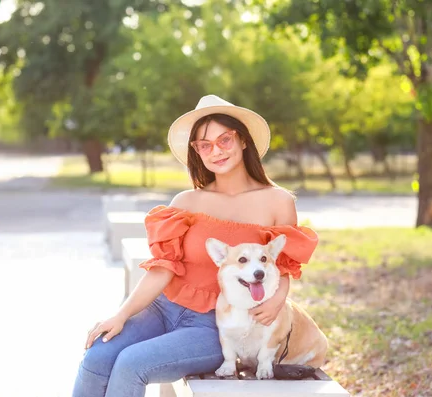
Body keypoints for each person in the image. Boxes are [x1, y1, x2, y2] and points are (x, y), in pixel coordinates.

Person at [72, 95, 319, 397]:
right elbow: (162, 270)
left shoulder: (277, 201)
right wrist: (121, 315)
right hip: (162, 310)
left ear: (242, 140)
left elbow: (284, 265)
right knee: (98, 355)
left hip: (213, 325)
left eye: (224, 140)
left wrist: (277, 299)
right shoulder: (186, 202)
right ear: (196, 151)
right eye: (205, 145)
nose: (216, 151)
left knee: (131, 364)